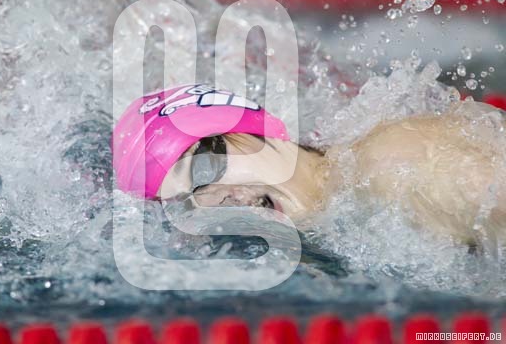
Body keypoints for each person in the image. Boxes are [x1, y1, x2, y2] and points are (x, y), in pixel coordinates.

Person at [113, 84, 506, 248]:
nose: (222, 201)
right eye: (189, 204)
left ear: (258, 131)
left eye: (203, 171)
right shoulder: (341, 218)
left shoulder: (392, 166)